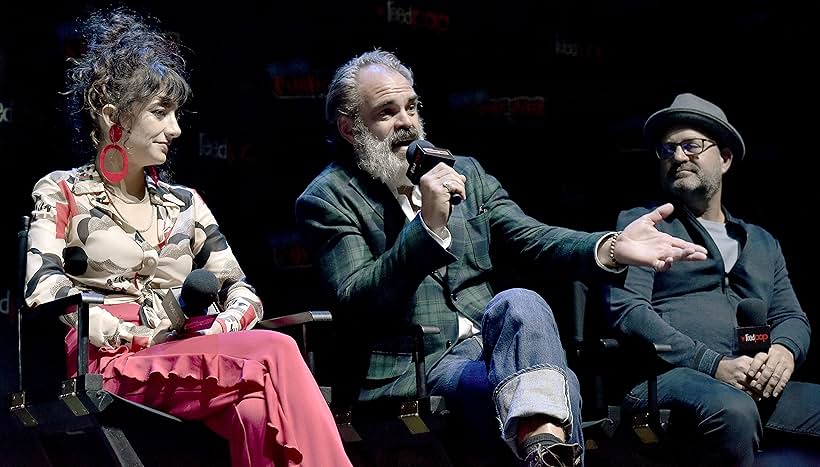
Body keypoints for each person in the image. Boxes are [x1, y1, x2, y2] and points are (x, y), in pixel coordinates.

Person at [294, 49, 707, 467]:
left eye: (412, 107)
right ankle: (548, 450)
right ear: (350, 129)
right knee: (555, 385)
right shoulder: (329, 198)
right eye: (387, 112)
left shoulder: (465, 172)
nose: (407, 123)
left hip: (497, 348)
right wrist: (428, 229)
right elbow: (356, 301)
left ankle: (544, 453)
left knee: (519, 302)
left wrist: (612, 246)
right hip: (419, 368)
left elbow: (532, 237)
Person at [24, 7, 352, 467]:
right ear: (111, 115)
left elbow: (242, 292)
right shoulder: (61, 190)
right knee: (278, 348)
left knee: (258, 414)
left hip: (190, 349)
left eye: (176, 113)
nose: (175, 129)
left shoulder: (185, 201)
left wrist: (223, 325)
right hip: (111, 363)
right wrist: (133, 332)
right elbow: (44, 289)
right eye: (160, 112)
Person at [607, 93, 820, 466]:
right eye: (667, 149)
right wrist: (713, 363)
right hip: (667, 381)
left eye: (691, 145)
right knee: (733, 410)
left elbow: (793, 318)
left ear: (723, 159)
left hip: (752, 381)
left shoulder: (762, 242)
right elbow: (629, 312)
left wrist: (785, 351)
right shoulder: (645, 225)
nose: (677, 156)